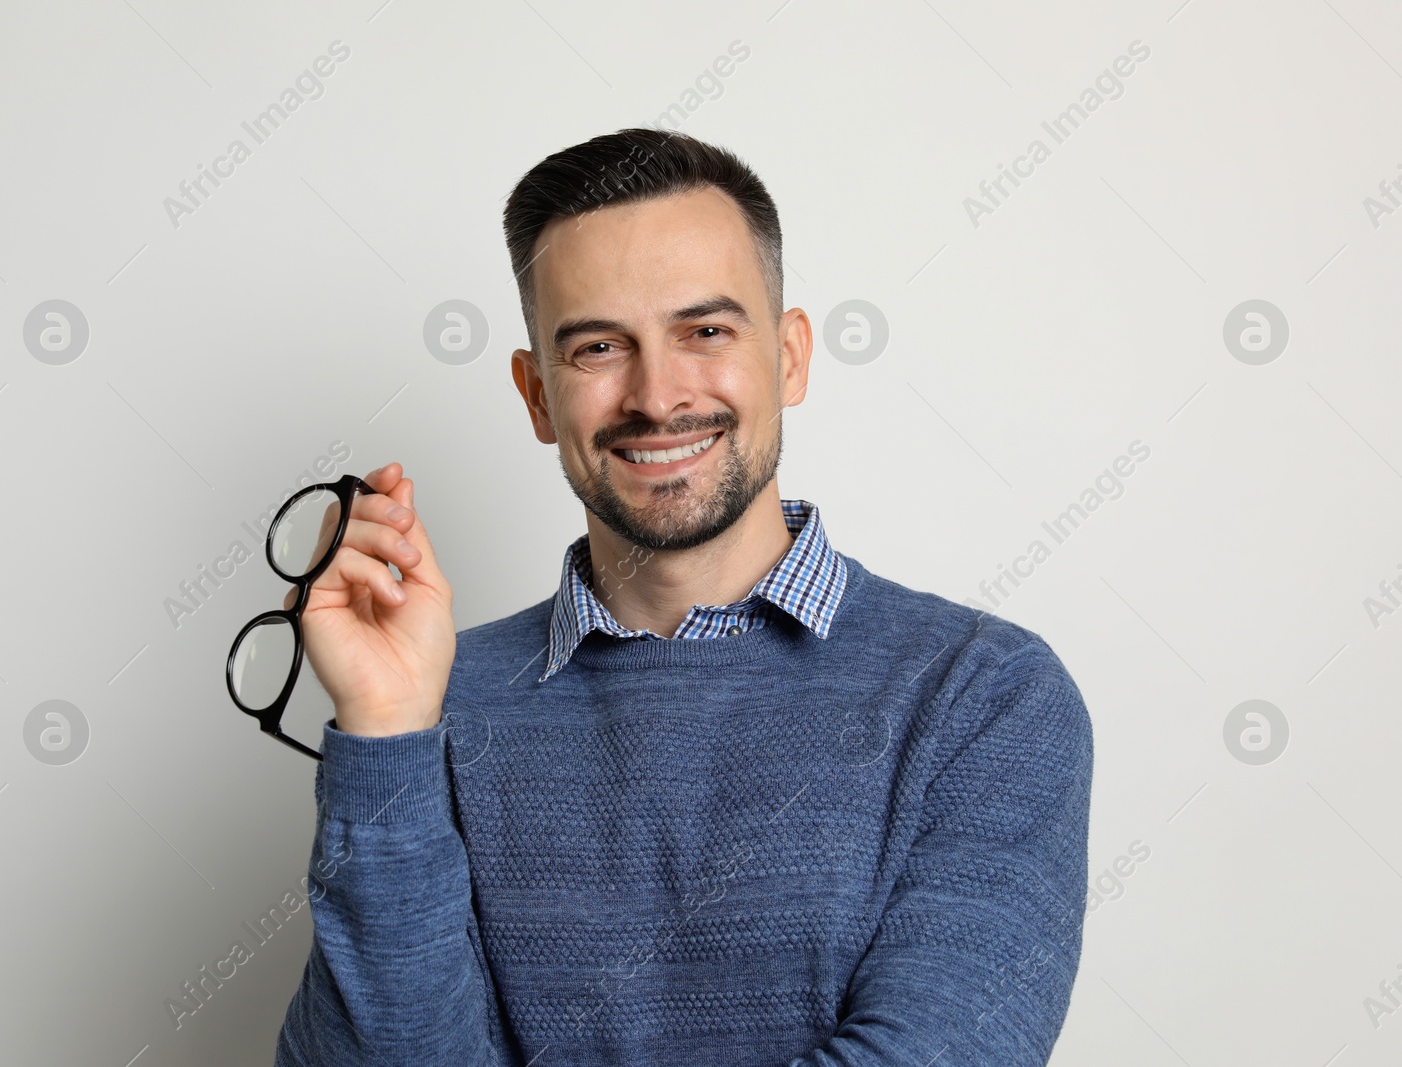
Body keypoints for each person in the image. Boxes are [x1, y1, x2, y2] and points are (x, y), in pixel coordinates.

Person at [273, 128, 1094, 1066]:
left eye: (705, 331)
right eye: (597, 347)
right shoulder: (436, 708)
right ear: (538, 395)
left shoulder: (983, 696)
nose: (657, 396)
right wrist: (383, 729)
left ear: (788, 357)